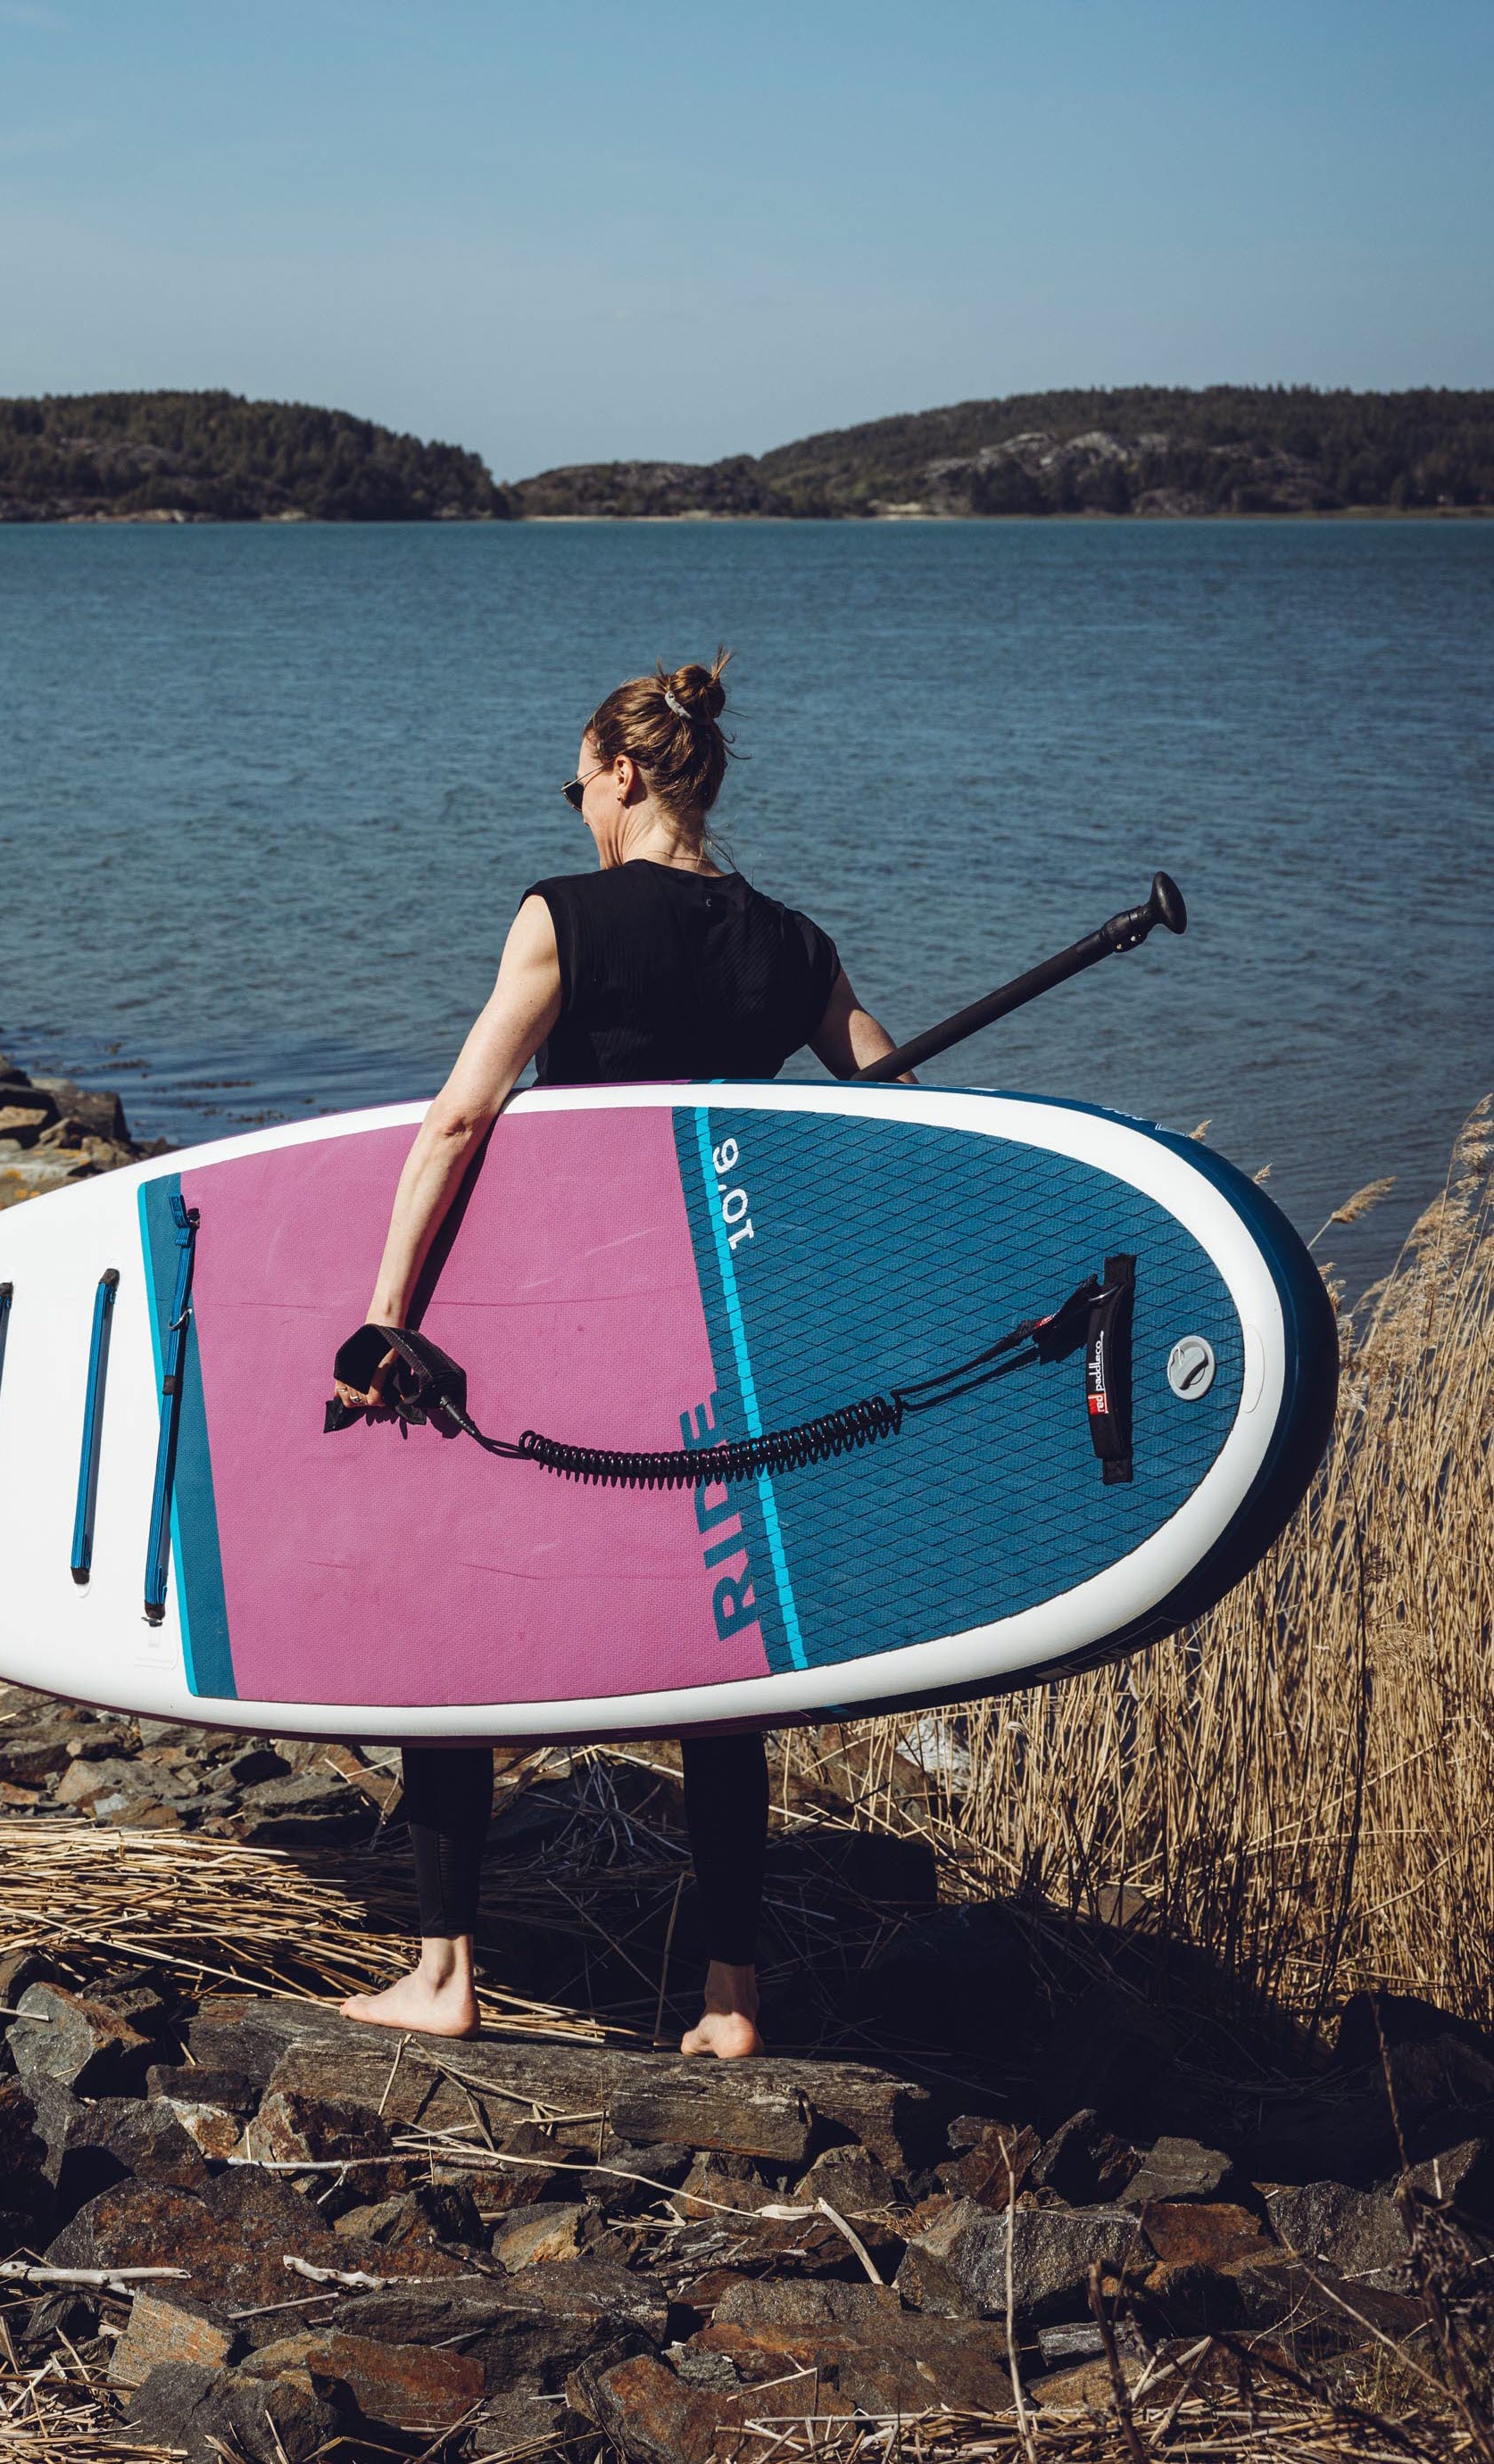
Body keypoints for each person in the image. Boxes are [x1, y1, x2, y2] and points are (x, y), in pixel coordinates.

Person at [328, 651, 908, 2057]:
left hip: (572, 1327)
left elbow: (461, 1120)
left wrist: (386, 1311)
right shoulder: (796, 946)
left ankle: (445, 1972)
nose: (577, 801)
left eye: (579, 777)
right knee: (720, 1658)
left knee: (456, 1619)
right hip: (722, 1339)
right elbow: (896, 1115)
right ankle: (729, 2000)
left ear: (627, 773)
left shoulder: (563, 918)